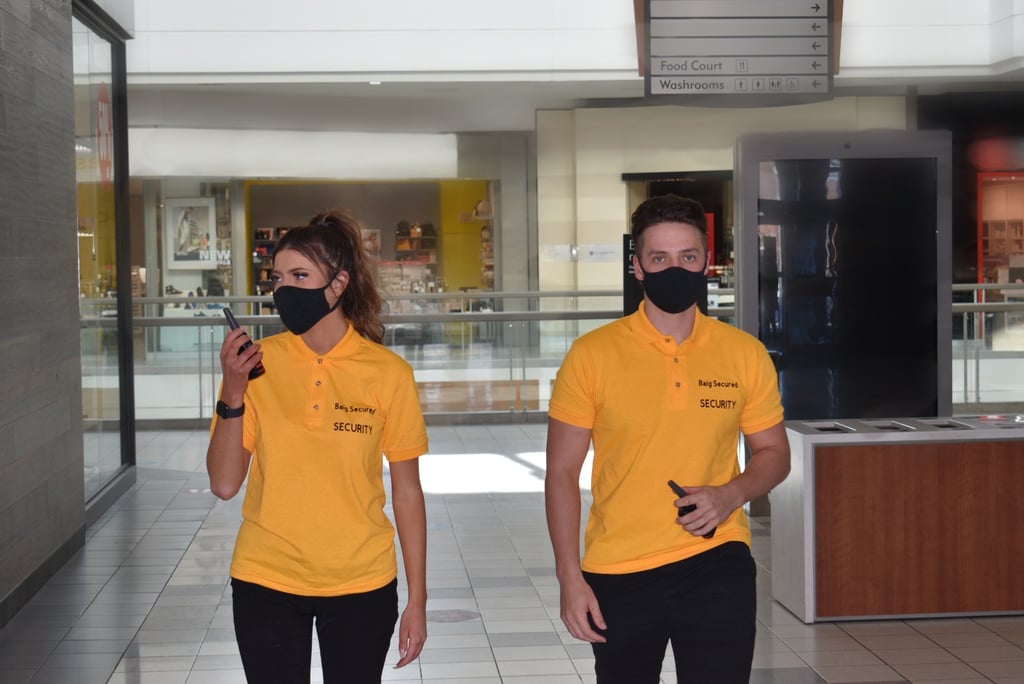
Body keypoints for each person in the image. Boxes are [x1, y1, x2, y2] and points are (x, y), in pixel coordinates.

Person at [544, 194, 790, 684]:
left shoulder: (744, 353)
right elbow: (562, 474)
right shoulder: (591, 355)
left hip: (717, 560)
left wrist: (730, 494)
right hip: (619, 569)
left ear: (707, 264)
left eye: (688, 257)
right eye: (659, 258)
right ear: (637, 267)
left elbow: (774, 453)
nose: (674, 269)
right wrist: (570, 578)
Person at [207, 209, 429, 683]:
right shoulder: (256, 368)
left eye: (300, 275)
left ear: (339, 283)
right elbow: (225, 484)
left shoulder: (389, 374)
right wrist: (233, 392)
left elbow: (408, 492)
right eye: (277, 277)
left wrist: (418, 600)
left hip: (362, 582)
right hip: (266, 578)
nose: (283, 289)